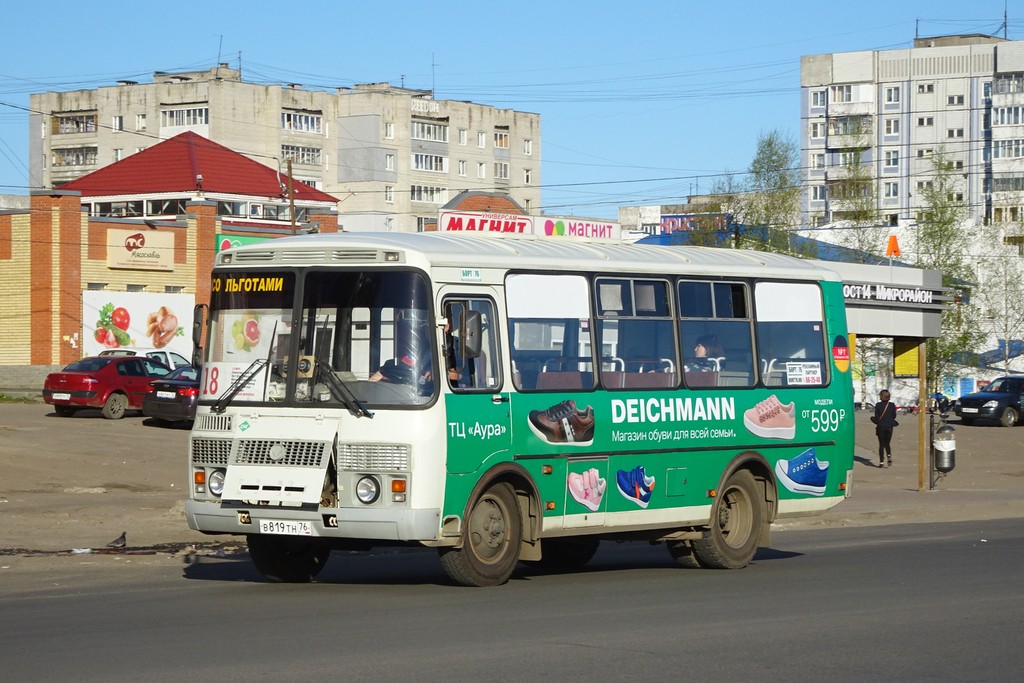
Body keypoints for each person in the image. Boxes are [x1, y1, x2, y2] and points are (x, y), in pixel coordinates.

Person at [871, 389, 899, 467]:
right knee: (887, 443)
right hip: (890, 426)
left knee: (881, 444)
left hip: (881, 426)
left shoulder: (878, 405)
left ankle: (881, 462)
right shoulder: (892, 405)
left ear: (881, 396)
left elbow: (877, 417)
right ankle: (889, 456)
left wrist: (872, 419)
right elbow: (894, 416)